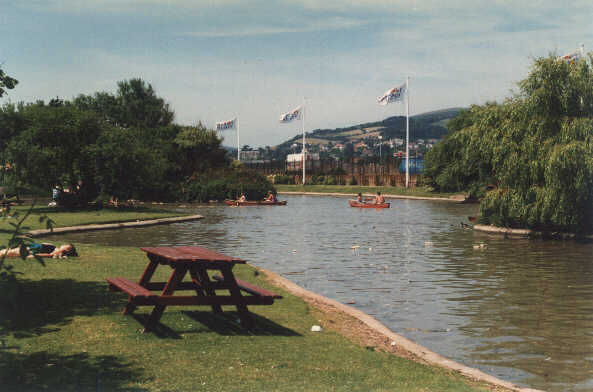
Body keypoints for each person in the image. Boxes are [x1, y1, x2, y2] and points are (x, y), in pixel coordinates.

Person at [0, 243, 77, 259]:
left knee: (6, 253)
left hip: (29, 249)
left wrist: (34, 256)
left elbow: (49, 255)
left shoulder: (57, 251)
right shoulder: (56, 248)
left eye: (66, 245)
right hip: (29, 247)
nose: (64, 244)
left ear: (67, 249)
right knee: (7, 252)